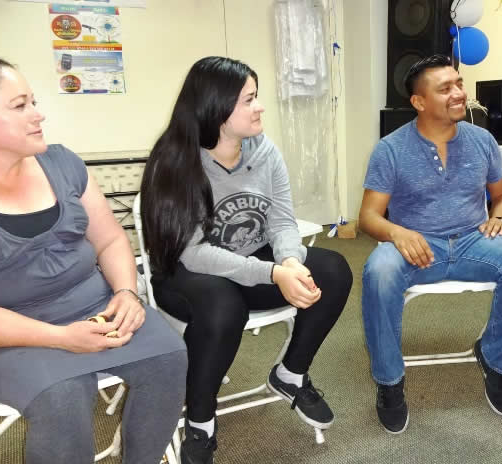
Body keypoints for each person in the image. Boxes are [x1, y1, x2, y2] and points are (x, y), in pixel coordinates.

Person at [0, 54, 187, 463]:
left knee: (168, 357)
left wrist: (127, 293)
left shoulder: (62, 163)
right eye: (20, 105)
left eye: (34, 102)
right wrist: (59, 338)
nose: (38, 114)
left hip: (93, 308)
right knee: (63, 394)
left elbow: (110, 240)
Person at [139, 56, 352, 464]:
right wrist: (272, 272)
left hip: (250, 261)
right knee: (223, 307)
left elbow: (282, 220)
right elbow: (193, 252)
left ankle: (290, 374)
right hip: (186, 273)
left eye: (257, 96)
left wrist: (290, 263)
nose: (260, 107)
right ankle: (200, 420)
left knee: (332, 271)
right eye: (248, 100)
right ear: (216, 108)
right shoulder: (175, 160)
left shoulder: (263, 149)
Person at [359, 54, 502, 434]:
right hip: (415, 244)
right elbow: (369, 217)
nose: (459, 93)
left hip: (474, 240)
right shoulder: (391, 149)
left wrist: (499, 218)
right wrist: (397, 233)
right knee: (378, 272)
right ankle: (389, 381)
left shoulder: (482, 140)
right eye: (445, 88)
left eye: (459, 83)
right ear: (419, 101)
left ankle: (497, 360)